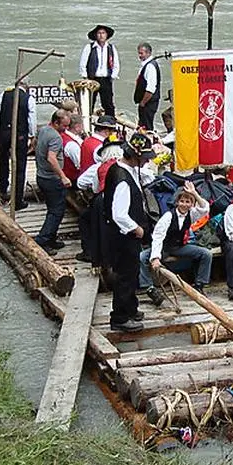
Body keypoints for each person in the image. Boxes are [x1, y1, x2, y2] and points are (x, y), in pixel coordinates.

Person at [104, 131, 157, 332]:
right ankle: (119, 317)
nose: (145, 162)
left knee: (131, 272)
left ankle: (130, 307)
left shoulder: (123, 170)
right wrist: (137, 229)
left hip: (124, 235)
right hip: (123, 236)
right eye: (143, 158)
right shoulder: (122, 179)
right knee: (124, 276)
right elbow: (119, 214)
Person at [139, 182, 211, 305]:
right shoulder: (168, 216)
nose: (184, 204)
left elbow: (205, 209)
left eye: (188, 202)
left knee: (206, 254)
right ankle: (149, 288)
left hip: (179, 247)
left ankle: (199, 285)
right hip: (164, 247)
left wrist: (194, 193)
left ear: (192, 204)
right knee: (142, 257)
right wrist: (155, 257)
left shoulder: (192, 214)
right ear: (177, 202)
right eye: (182, 201)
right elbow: (158, 236)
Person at [75, 134, 125, 265]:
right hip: (123, 202)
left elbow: (87, 186)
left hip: (103, 202)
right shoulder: (127, 166)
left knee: (86, 219)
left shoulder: (98, 167)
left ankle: (90, 253)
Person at [33, 109, 74, 254]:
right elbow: (51, 157)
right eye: (64, 126)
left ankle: (51, 238)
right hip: (52, 179)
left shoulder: (43, 129)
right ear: (56, 123)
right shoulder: (56, 137)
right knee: (56, 212)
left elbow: (35, 144)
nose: (66, 129)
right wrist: (63, 176)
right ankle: (42, 240)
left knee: (53, 209)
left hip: (41, 175)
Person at [0, 78, 36, 209]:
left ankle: (2, 186)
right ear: (27, 85)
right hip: (20, 135)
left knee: (2, 158)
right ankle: (18, 199)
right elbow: (31, 119)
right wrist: (32, 135)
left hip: (4, 132)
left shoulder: (4, 95)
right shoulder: (29, 99)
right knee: (20, 165)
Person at [79, 24, 120, 117]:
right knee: (89, 102)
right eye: (99, 33)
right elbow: (83, 64)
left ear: (106, 35)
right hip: (92, 79)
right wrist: (85, 77)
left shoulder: (111, 48)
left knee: (108, 104)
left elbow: (116, 64)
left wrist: (112, 76)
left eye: (103, 33)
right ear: (96, 35)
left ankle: (110, 123)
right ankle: (87, 122)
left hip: (106, 79)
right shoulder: (89, 47)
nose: (101, 35)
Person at [134, 42, 161, 130]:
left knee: (147, 126)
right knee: (143, 125)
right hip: (146, 102)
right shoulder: (146, 65)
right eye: (139, 53)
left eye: (142, 53)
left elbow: (150, 89)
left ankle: (148, 141)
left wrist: (143, 102)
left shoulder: (150, 67)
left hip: (148, 102)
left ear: (148, 53)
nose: (139, 55)